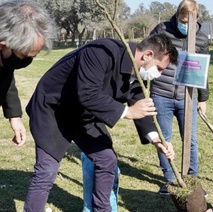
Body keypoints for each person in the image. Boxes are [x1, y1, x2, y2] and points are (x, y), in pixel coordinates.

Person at [23, 33, 178, 212]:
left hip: (85, 114)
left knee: (107, 160)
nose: (158, 75)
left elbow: (140, 107)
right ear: (147, 55)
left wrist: (156, 140)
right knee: (47, 171)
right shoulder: (101, 51)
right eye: (159, 68)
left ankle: (101, 209)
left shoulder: (138, 75)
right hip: (54, 110)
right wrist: (127, 112)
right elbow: (88, 93)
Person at [149, 0, 210, 195]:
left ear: (196, 19)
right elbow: (147, 54)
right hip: (161, 94)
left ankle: (192, 179)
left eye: (188, 21)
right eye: (182, 20)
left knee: (190, 140)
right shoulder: (162, 30)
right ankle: (169, 179)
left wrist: (203, 98)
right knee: (164, 139)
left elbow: (204, 71)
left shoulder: (201, 39)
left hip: (188, 97)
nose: (185, 25)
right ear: (177, 16)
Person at [0, 0, 55, 147]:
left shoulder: (5, 59)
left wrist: (14, 116)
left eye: (32, 57)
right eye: (24, 56)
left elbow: (6, 77)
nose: (26, 62)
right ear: (2, 45)